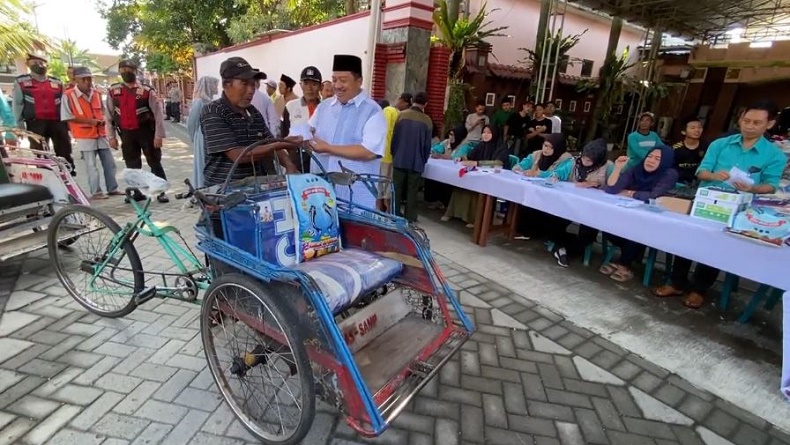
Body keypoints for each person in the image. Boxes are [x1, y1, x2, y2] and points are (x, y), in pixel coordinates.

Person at [654, 101, 787, 309]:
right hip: (707, 201)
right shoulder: (720, 144)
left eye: (757, 123)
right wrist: (714, 175)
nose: (749, 126)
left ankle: (699, 289)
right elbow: (701, 172)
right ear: (740, 119)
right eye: (746, 120)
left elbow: (771, 185)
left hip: (737, 208)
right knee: (688, 241)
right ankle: (677, 282)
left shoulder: (774, 154)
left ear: (769, 124)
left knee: (715, 247)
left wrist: (752, 188)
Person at [200, 57, 298, 187]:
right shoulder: (213, 111)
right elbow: (239, 156)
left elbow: (269, 141)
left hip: (255, 188)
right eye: (245, 84)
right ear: (227, 85)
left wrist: (289, 165)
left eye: (253, 84)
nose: (251, 90)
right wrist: (281, 144)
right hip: (224, 191)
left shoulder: (253, 112)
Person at [308, 54, 387, 210]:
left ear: (359, 81)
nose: (337, 86)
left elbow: (369, 151)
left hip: (356, 198)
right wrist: (302, 137)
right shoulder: (324, 107)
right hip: (321, 195)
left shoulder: (373, 111)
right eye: (334, 80)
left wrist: (328, 148)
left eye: (343, 80)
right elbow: (310, 131)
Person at [600, 145, 678, 282]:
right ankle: (627, 258)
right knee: (607, 225)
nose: (651, 160)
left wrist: (630, 192)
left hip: (654, 221)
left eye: (657, 159)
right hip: (629, 215)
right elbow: (611, 189)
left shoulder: (669, 174)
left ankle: (624, 265)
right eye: (649, 156)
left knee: (637, 231)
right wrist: (618, 168)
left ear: (665, 161)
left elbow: (654, 196)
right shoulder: (637, 168)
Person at [107, 59, 169, 203]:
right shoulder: (114, 91)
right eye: (123, 70)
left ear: (135, 71)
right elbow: (108, 116)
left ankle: (161, 192)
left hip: (146, 132)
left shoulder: (146, 91)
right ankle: (137, 192)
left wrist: (159, 135)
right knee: (132, 165)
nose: (126, 72)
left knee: (154, 162)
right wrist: (111, 137)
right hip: (126, 134)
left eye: (129, 69)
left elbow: (158, 114)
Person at [61, 67, 119, 200]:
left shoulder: (96, 93)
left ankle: (113, 188)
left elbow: (103, 112)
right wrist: (90, 121)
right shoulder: (68, 95)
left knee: (110, 163)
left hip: (101, 133)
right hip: (84, 135)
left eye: (89, 79)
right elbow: (66, 116)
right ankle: (96, 192)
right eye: (83, 79)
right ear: (75, 80)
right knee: (91, 166)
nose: (87, 82)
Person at [13, 52, 76, 174]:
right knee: (40, 153)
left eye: (42, 62)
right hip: (35, 123)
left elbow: (64, 105)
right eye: (35, 62)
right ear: (28, 64)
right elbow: (17, 104)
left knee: (64, 151)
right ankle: (46, 174)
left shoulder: (57, 82)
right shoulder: (21, 82)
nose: (39, 65)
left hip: (57, 122)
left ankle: (68, 174)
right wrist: (19, 125)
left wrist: (68, 124)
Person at [441, 125, 509, 227]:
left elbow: (498, 163)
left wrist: (477, 163)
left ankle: (473, 219)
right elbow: (470, 157)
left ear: (495, 134)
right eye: (484, 132)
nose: (485, 135)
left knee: (476, 186)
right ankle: (453, 212)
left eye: (489, 132)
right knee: (461, 182)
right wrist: (462, 158)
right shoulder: (481, 145)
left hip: (495, 178)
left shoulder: (501, 147)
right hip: (480, 174)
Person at [390, 92, 432, 222]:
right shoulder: (427, 120)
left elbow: (394, 138)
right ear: (425, 104)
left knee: (396, 189)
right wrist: (424, 159)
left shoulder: (401, 115)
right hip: (416, 162)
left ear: (412, 101)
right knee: (412, 191)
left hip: (399, 158)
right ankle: (410, 217)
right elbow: (427, 145)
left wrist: (394, 154)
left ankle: (394, 214)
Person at [282, 66, 323, 172]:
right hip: (298, 160)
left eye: (314, 84)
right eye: (306, 83)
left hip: (322, 158)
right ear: (301, 85)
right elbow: (284, 135)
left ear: (320, 87)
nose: (310, 88)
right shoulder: (290, 107)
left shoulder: (326, 107)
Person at [425, 124, 472, 210]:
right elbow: (436, 149)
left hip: (458, 173)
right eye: (450, 134)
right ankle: (435, 200)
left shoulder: (465, 145)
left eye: (453, 135)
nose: (451, 137)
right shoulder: (446, 142)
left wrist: (441, 156)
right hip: (445, 170)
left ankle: (446, 203)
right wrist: (434, 152)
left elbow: (457, 158)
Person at [186, 75, 219, 188]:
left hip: (211, 135)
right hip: (202, 135)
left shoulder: (211, 101)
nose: (216, 87)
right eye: (215, 85)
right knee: (202, 161)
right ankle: (201, 185)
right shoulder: (199, 101)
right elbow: (191, 122)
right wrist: (194, 138)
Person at [377, 99, 400, 212]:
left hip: (383, 154)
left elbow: (383, 132)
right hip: (393, 155)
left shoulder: (386, 112)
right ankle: (389, 210)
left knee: (379, 183)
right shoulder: (397, 112)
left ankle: (378, 209)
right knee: (388, 184)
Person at [671, 116, 706, 185]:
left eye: (699, 127)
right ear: (683, 132)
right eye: (693, 128)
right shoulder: (675, 148)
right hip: (677, 182)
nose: (697, 130)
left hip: (697, 183)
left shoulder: (706, 147)